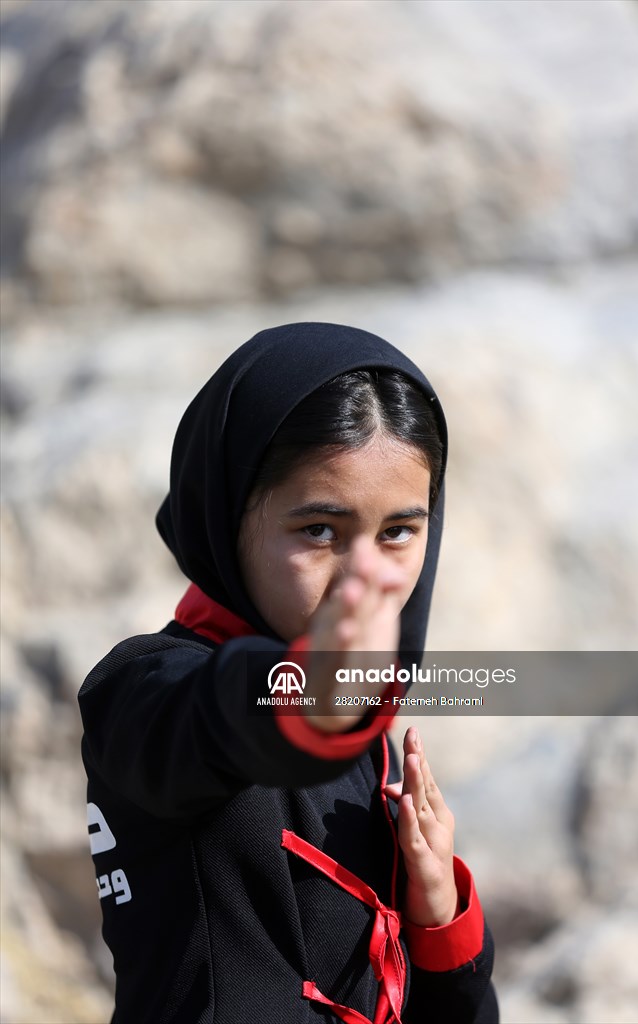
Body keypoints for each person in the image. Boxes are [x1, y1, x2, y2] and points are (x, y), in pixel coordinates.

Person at [78, 322, 499, 1023]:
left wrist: (437, 918)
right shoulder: (141, 693)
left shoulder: (373, 748)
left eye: (398, 531)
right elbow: (216, 718)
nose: (364, 575)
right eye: (319, 531)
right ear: (227, 513)